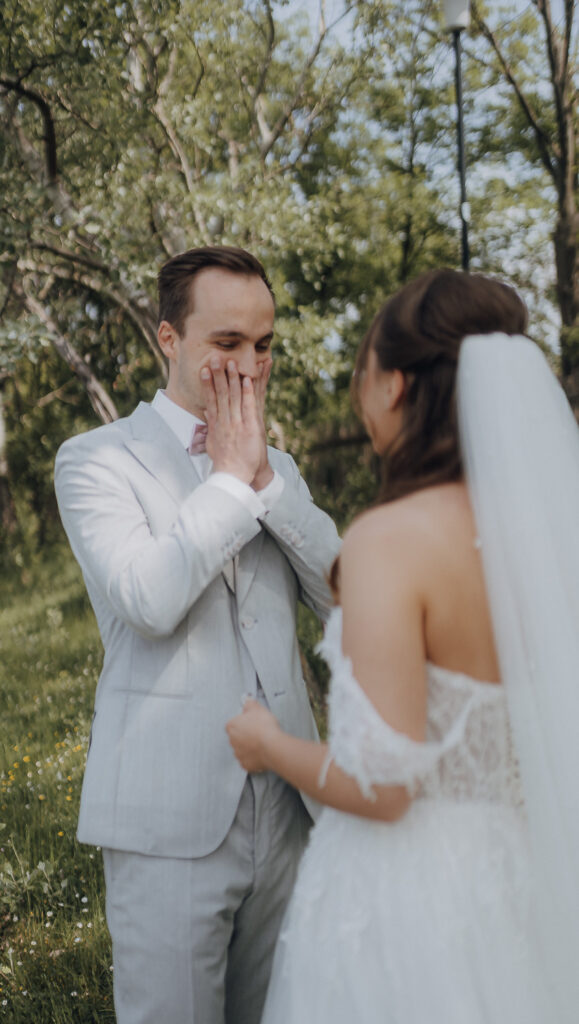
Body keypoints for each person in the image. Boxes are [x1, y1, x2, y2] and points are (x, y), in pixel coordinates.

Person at [226, 268, 579, 1023]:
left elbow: (383, 790)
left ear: (392, 385)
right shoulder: (548, 537)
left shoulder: (390, 539)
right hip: (516, 876)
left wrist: (268, 745)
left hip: (416, 902)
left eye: (362, 369)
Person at [54, 245, 340, 1024]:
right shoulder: (95, 461)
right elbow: (148, 599)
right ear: (168, 339)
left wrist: (263, 478)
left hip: (290, 809)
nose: (249, 367)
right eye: (226, 343)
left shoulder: (278, 469)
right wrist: (229, 481)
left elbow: (344, 598)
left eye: (263, 344)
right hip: (166, 819)